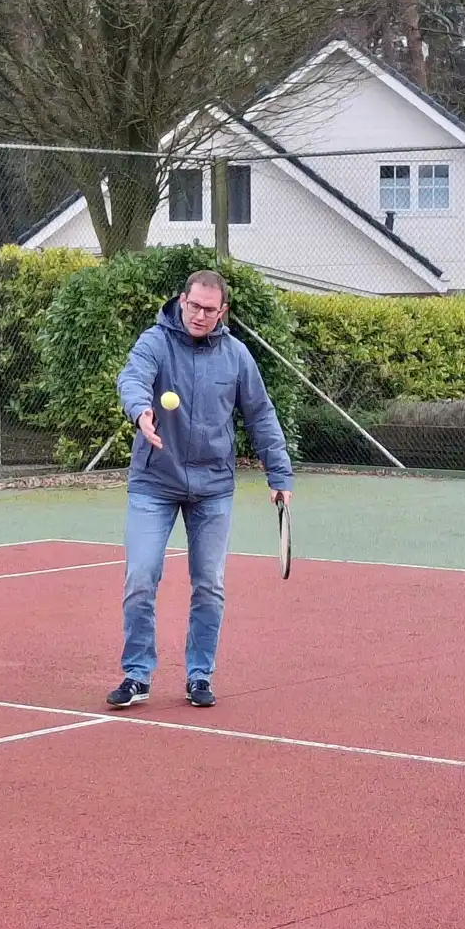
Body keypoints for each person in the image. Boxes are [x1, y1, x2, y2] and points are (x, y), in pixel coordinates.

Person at [106, 270, 293, 709]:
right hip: (154, 482)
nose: (200, 315)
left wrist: (279, 476)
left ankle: (199, 675)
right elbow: (131, 379)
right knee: (140, 577)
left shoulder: (237, 356)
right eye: (194, 306)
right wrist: (141, 413)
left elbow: (261, 415)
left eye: (210, 310)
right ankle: (137, 675)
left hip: (212, 488)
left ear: (222, 311)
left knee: (209, 584)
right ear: (182, 300)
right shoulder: (154, 342)